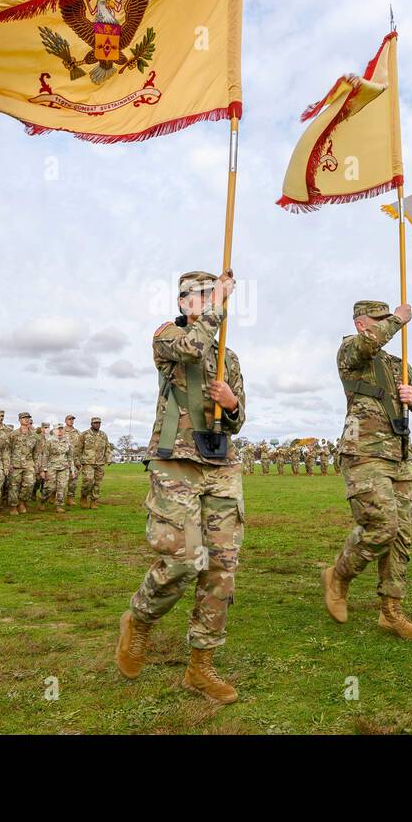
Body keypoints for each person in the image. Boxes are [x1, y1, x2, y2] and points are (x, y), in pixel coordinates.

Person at [115, 269, 246, 705]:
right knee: (184, 557)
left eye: (213, 295)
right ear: (185, 300)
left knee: (221, 567)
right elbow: (192, 347)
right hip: (177, 460)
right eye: (201, 296)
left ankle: (200, 666)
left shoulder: (231, 356)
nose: (209, 302)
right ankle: (140, 618)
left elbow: (239, 418)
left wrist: (230, 405)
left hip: (221, 463)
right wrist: (217, 307)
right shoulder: (168, 336)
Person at [321, 300, 412, 640]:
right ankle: (339, 576)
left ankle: (391, 611)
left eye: (389, 319)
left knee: (400, 535)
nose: (388, 325)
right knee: (381, 526)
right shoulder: (352, 351)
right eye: (380, 320)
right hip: (364, 453)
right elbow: (370, 343)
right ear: (361, 324)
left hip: (398, 457)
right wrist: (398, 318)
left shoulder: (399, 365)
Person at [75, 417, 112, 509]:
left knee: (97, 483)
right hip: (88, 462)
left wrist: (109, 458)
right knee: (88, 481)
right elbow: (78, 448)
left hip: (100, 462)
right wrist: (77, 460)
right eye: (95, 423)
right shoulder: (84, 434)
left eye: (99, 423)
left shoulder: (103, 435)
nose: (97, 424)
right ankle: (84, 497)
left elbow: (107, 447)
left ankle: (93, 501)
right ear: (91, 424)